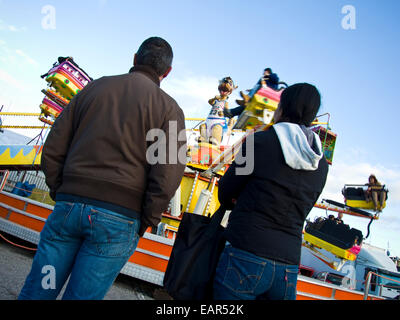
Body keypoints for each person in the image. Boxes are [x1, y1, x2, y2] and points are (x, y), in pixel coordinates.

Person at [18, 37, 186, 300]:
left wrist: (60, 188)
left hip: (69, 208)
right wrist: (146, 220)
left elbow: (55, 143)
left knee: (39, 289)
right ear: (167, 72)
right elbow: (168, 174)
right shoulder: (171, 110)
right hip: (119, 219)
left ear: (134, 58)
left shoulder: (95, 88)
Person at [213, 83, 328, 300]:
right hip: (288, 266)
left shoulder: (259, 142)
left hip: (246, 250)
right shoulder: (322, 165)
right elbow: (304, 208)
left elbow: (226, 192)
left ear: (283, 107)